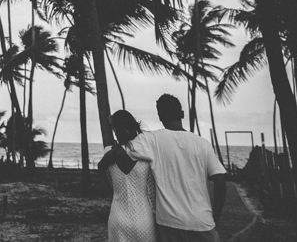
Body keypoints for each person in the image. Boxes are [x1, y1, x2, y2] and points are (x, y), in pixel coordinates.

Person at [101, 94, 226, 242]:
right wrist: (215, 219)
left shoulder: (153, 140)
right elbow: (220, 182)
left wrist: (102, 164)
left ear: (159, 116)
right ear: (182, 114)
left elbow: (121, 151)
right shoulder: (203, 144)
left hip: (168, 224)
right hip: (202, 223)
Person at [97, 110, 156, 242]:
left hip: (118, 216)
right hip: (143, 218)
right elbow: (151, 192)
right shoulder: (147, 155)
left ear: (120, 130)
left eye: (115, 130)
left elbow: (108, 185)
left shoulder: (109, 153)